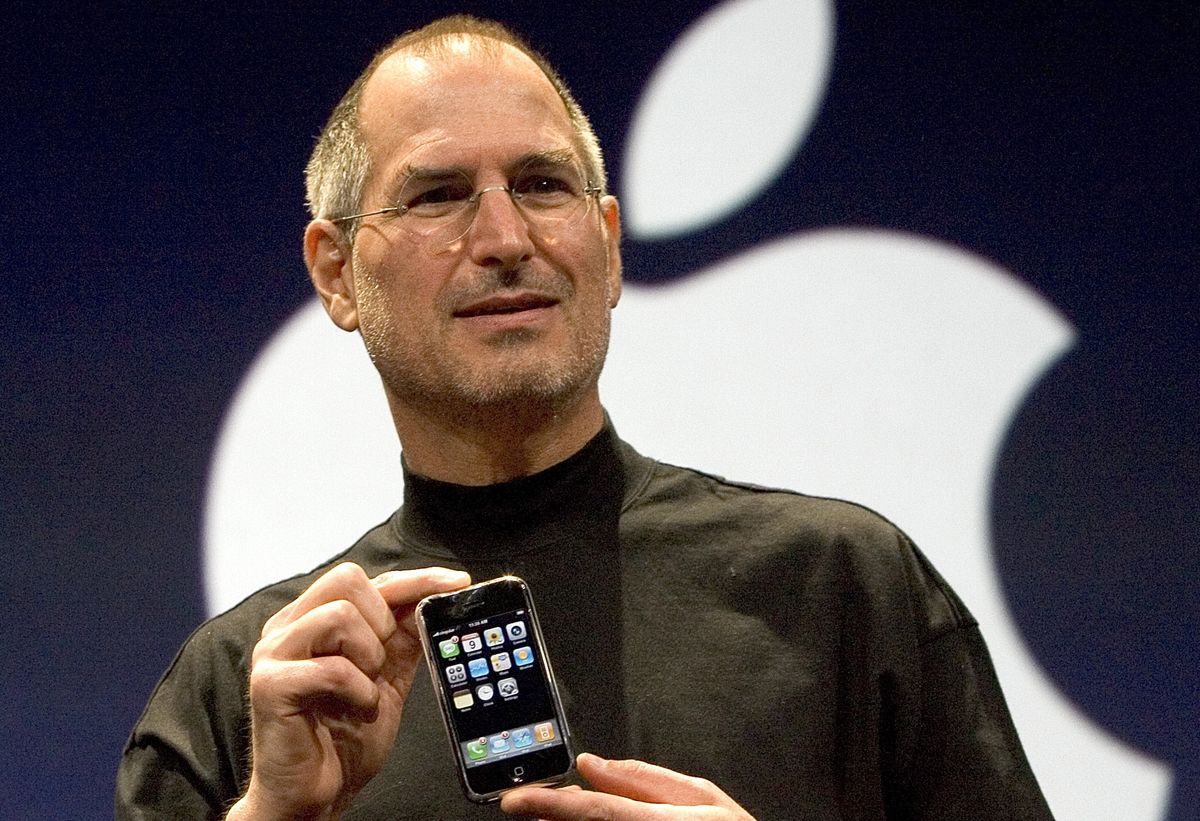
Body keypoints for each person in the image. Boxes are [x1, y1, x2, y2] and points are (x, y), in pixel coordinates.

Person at [117, 14, 1054, 820]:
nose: (503, 240)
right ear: (336, 271)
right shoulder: (252, 688)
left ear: (606, 249)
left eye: (541, 185)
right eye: (439, 194)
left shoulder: (842, 589)